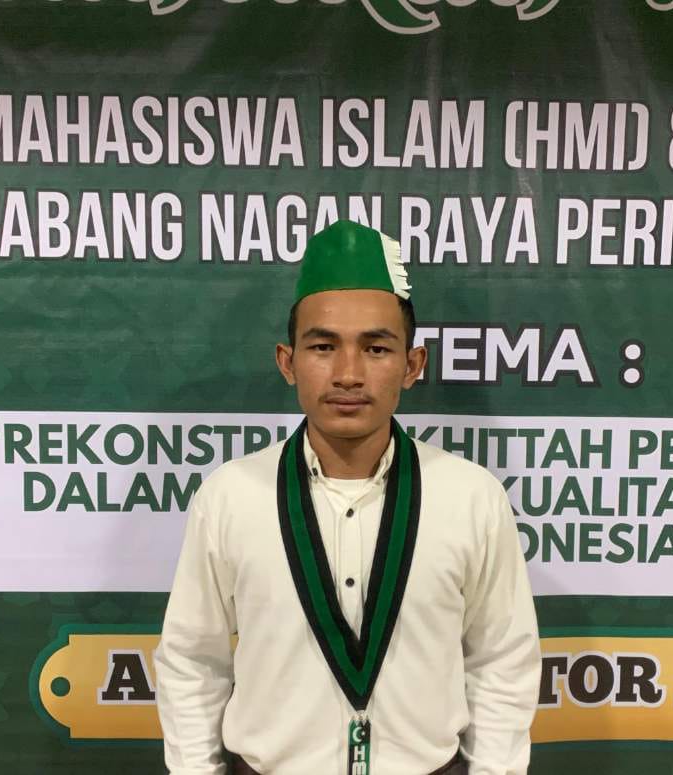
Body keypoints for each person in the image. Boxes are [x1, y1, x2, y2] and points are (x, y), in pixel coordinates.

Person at [154, 219, 541, 775]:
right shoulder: (230, 497)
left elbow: (502, 660)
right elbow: (193, 661)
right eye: (323, 346)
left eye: (376, 348)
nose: (348, 374)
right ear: (288, 361)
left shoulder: (472, 498)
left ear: (412, 365)